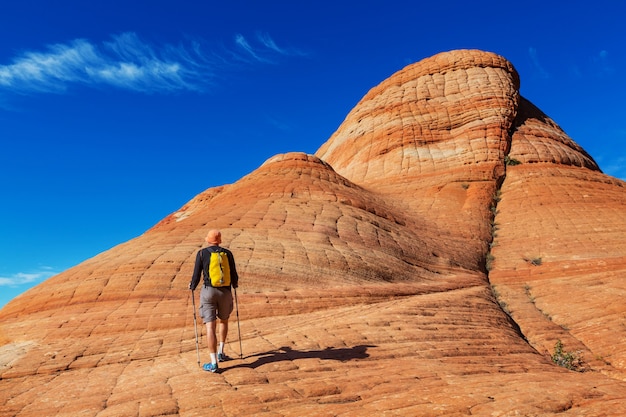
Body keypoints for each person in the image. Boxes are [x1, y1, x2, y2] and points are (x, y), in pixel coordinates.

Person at [189, 229, 239, 373]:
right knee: (224, 320)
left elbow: (196, 274)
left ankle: (213, 363)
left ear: (208, 240)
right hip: (225, 291)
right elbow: (234, 273)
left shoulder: (202, 253)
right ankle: (221, 352)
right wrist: (234, 286)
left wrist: (192, 286)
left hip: (209, 292)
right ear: (220, 240)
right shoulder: (227, 253)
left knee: (210, 327)